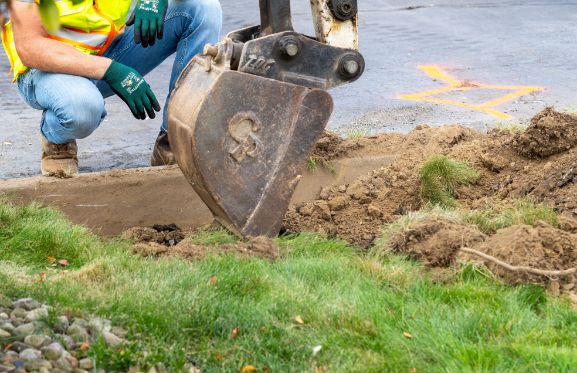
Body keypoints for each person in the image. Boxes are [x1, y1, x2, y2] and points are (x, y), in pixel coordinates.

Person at [1, 0, 222, 176]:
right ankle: (56, 138)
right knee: (81, 109)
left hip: (107, 50)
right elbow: (30, 48)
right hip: (47, 70)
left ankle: (173, 145)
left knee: (202, 8)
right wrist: (112, 70)